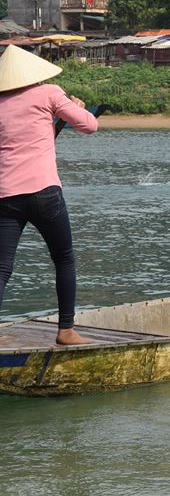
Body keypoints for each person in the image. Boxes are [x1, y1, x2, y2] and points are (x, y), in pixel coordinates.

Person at [0, 45, 99, 345]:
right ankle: (66, 330)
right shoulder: (49, 93)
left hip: (6, 196)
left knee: (2, 268)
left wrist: (57, 121)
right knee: (64, 259)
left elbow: (33, 141)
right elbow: (90, 125)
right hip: (45, 192)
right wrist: (73, 107)